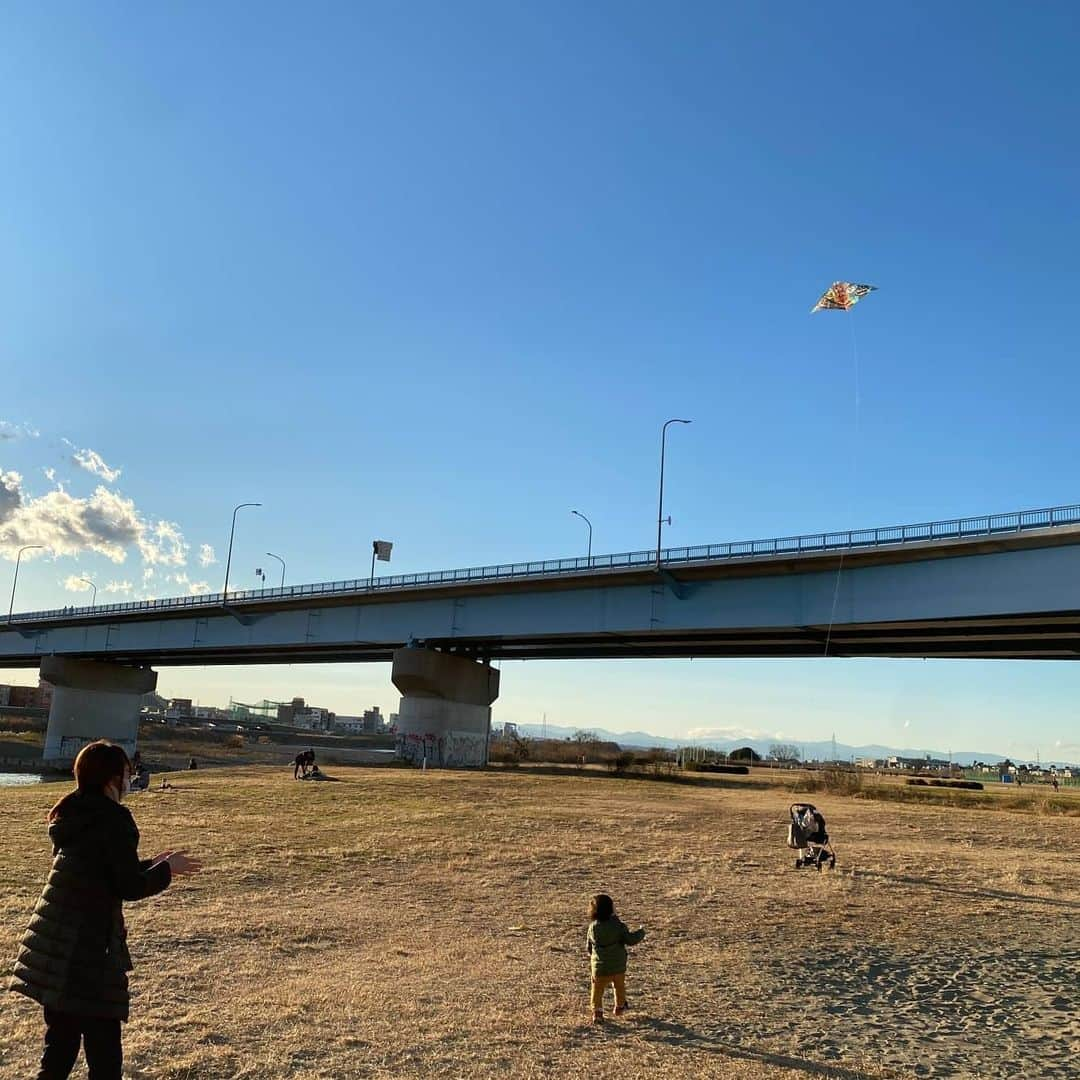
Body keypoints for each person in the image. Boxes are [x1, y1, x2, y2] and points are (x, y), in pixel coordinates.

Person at [8, 739, 201, 1079]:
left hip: (55, 945)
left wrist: (152, 863)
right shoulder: (114, 819)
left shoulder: (72, 812)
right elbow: (127, 886)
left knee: (59, 1048)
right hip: (89, 951)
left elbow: (101, 871)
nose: (130, 780)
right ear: (113, 779)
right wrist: (168, 871)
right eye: (127, 773)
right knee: (104, 1053)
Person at [586, 893, 645, 1024]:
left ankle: (597, 1012)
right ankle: (619, 1007)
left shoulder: (592, 928)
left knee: (597, 990)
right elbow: (630, 940)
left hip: (599, 968)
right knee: (619, 987)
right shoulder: (618, 925)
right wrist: (641, 932)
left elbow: (589, 947)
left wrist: (593, 956)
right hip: (618, 967)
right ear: (611, 909)